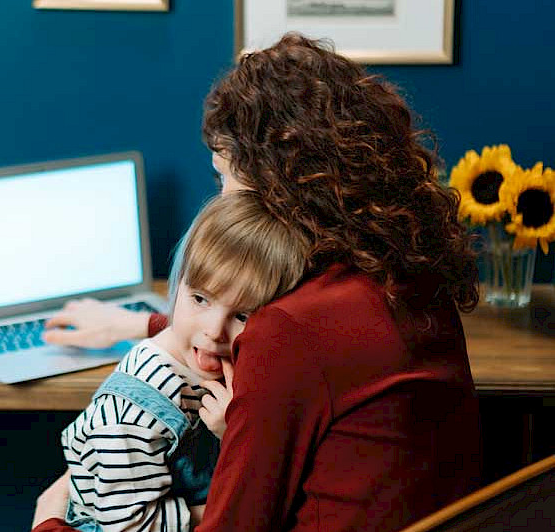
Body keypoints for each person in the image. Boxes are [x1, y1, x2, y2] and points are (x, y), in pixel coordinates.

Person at [34, 32, 482, 531]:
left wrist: (49, 523)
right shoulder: (399, 267)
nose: (223, 200)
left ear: (281, 186)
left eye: (224, 177)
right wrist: (145, 324)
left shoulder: (290, 331)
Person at [35, 191, 309, 532]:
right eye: (199, 299)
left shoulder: (230, 363)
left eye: (242, 315)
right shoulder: (131, 413)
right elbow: (130, 525)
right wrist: (213, 507)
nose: (213, 331)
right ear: (177, 284)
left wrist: (233, 432)